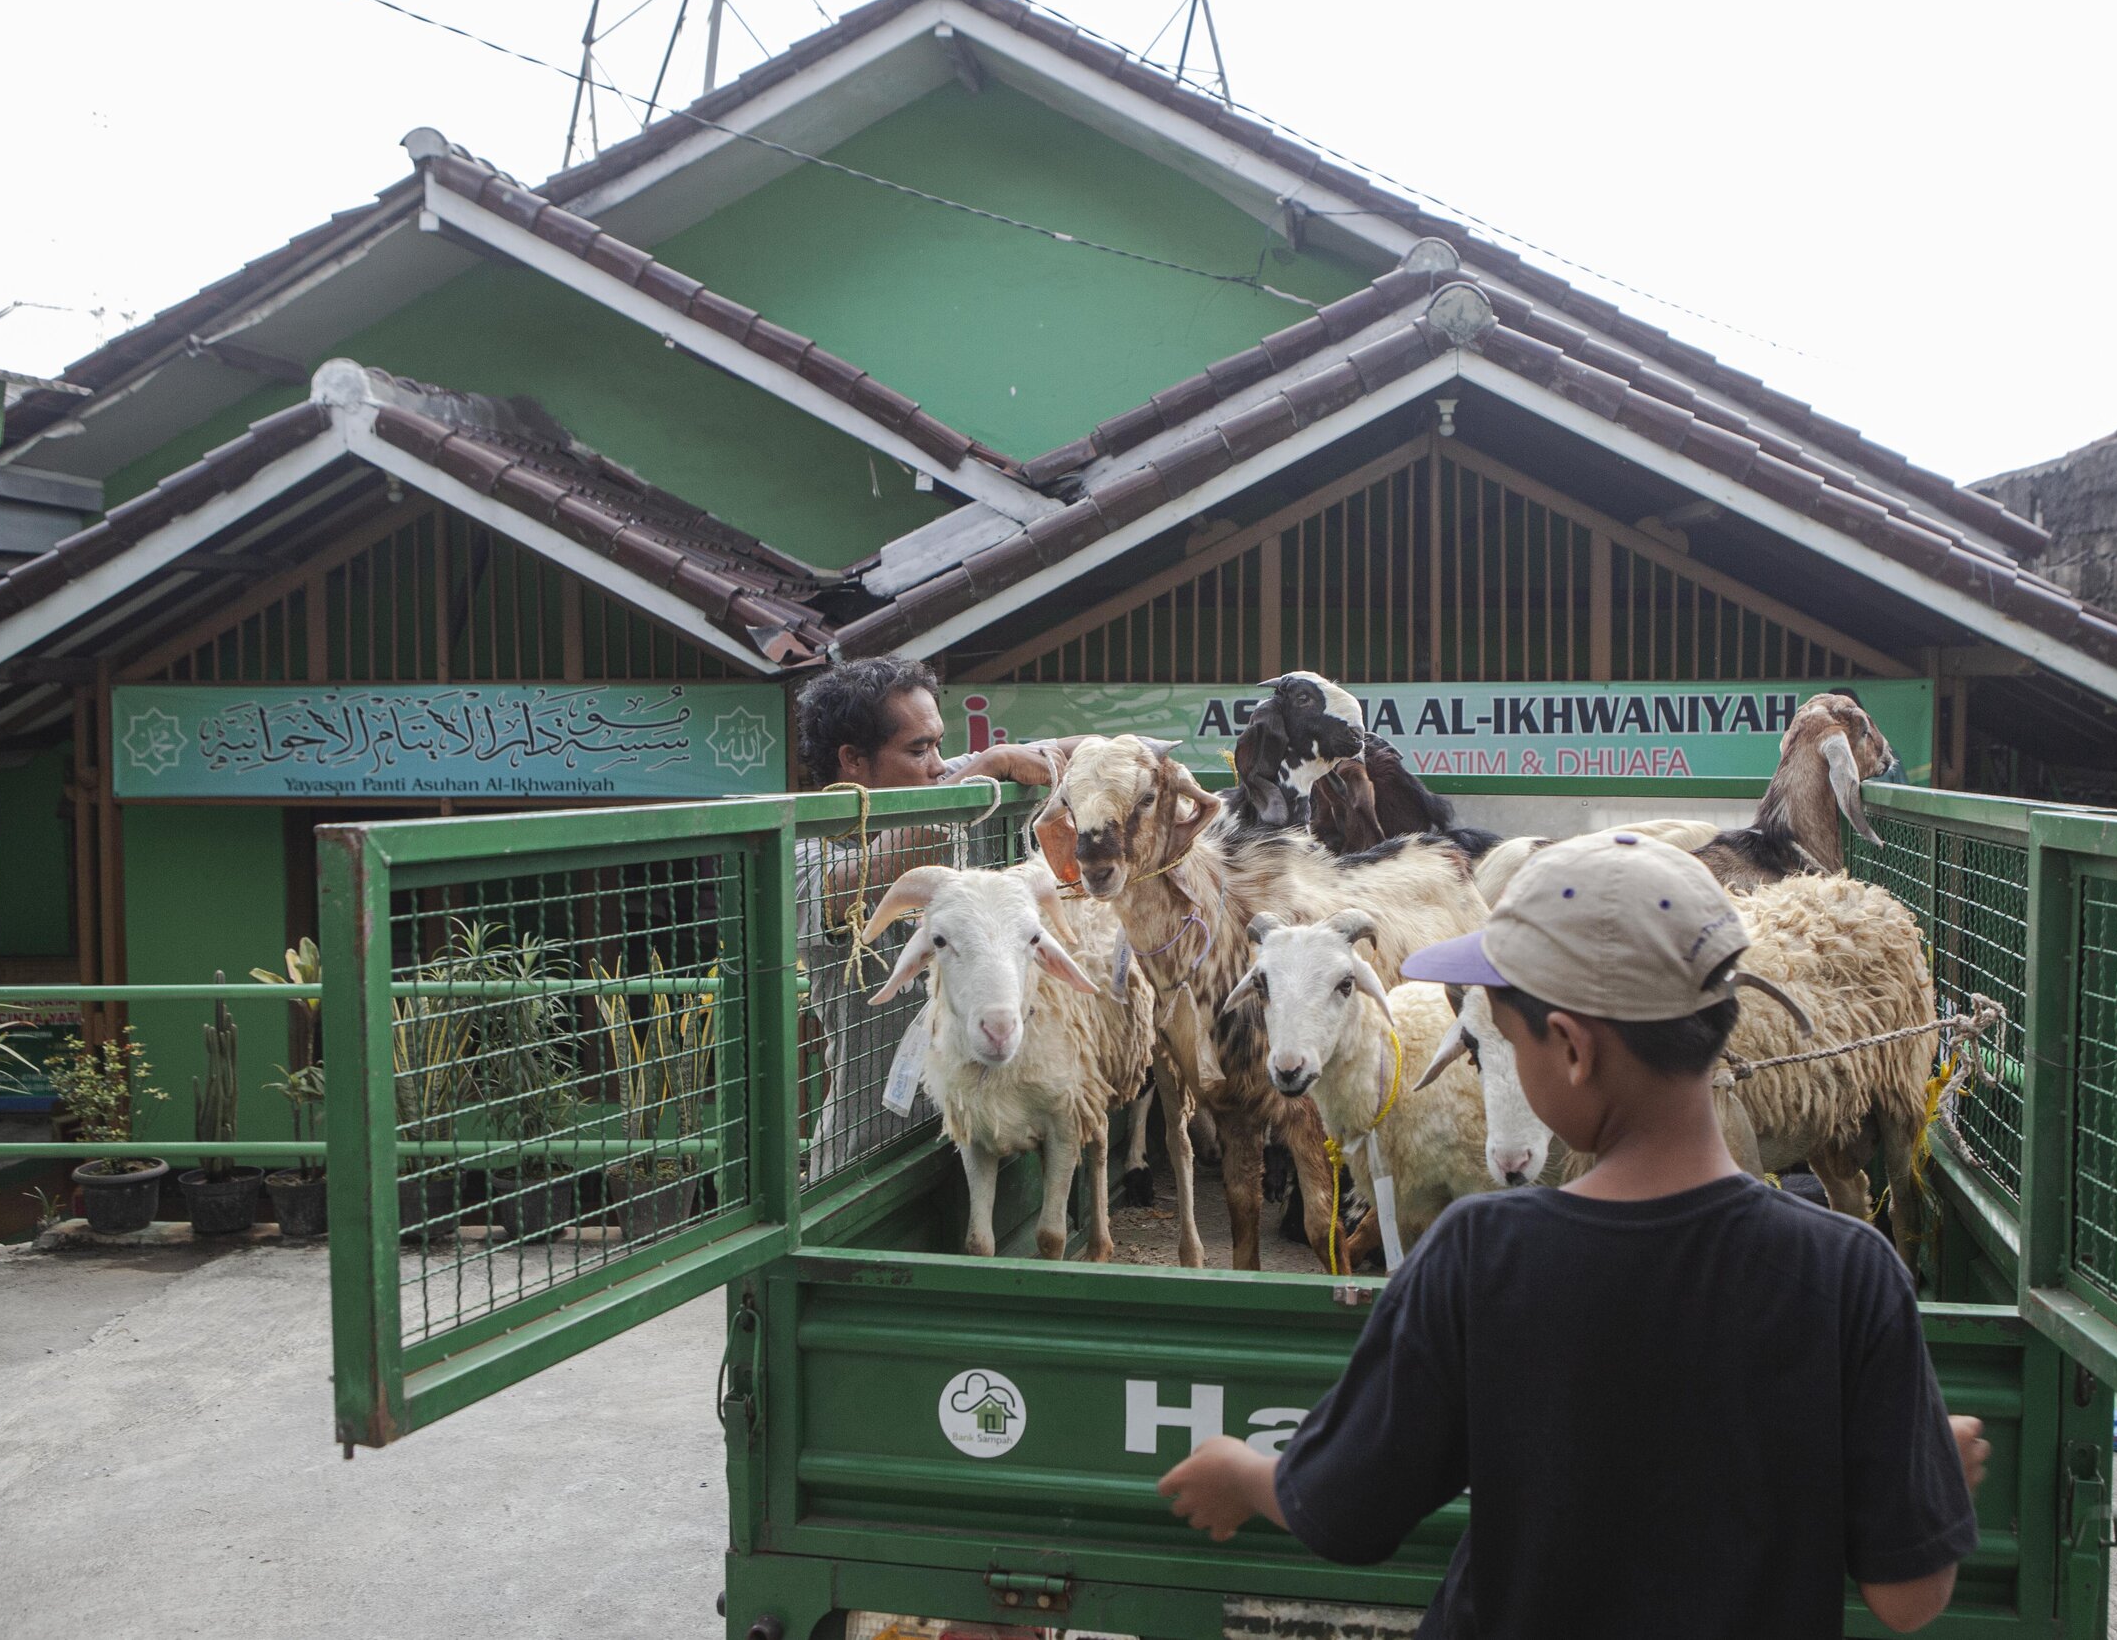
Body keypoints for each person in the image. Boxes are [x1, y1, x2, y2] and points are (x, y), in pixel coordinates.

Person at [1157, 830, 1991, 1637]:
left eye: (1505, 1046)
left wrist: (1247, 1476)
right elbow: (1907, 1597)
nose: (1505, 1069)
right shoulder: (1852, 1272)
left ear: (1570, 1050)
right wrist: (1936, 1481)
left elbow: (1349, 1512)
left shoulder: (1482, 1254)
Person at [790, 658, 1074, 1179]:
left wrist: (1059, 761)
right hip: (875, 1154)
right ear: (852, 760)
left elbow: (1099, 750)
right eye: (919, 750)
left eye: (940, 744)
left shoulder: (949, 783)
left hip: (990, 1131)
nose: (940, 763)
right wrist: (989, 767)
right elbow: (882, 870)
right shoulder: (804, 856)